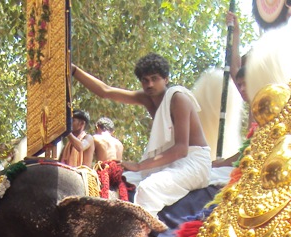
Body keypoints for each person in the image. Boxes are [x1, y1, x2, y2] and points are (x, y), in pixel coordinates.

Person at [71, 54, 211, 215]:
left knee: (148, 189)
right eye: (145, 80)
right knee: (125, 180)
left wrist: (139, 166)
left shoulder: (178, 99)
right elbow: (106, 91)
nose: (149, 84)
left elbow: (181, 149)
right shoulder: (146, 98)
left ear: (166, 79)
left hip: (193, 162)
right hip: (171, 162)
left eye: (154, 79)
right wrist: (73, 70)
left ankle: (144, 231)